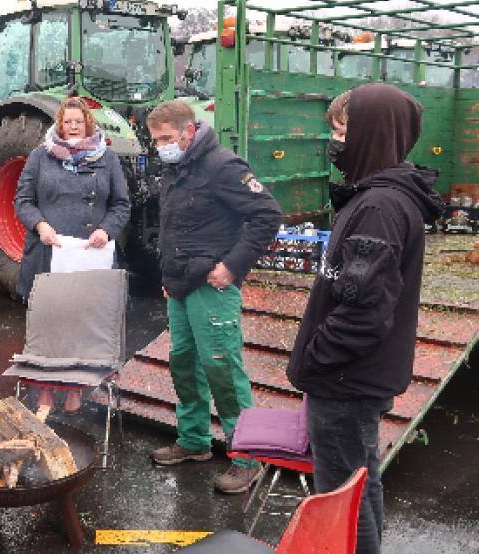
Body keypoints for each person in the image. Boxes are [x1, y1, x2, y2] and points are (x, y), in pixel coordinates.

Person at [287, 84, 442, 554]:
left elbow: (364, 313)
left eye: (343, 130)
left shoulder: (379, 207)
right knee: (360, 486)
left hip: (346, 380)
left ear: (374, 132)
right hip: (354, 378)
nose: (334, 141)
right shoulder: (374, 197)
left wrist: (314, 361)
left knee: (339, 497)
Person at [147, 100, 282, 494]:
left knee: (222, 368)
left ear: (189, 131)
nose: (162, 147)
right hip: (180, 286)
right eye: (157, 141)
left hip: (212, 287)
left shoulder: (223, 167)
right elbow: (173, 226)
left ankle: (246, 457)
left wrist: (232, 266)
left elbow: (267, 215)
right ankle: (194, 441)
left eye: (167, 139)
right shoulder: (176, 167)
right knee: (183, 363)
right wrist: (169, 275)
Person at [14, 96, 131, 412]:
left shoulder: (107, 158)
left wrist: (106, 230)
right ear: (60, 125)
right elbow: (23, 200)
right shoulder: (40, 157)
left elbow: (121, 204)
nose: (74, 126)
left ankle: (76, 388)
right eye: (68, 122)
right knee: (49, 323)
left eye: (79, 121)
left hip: (89, 254)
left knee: (81, 323)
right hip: (50, 251)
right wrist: (39, 226)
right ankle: (46, 391)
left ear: (88, 123)